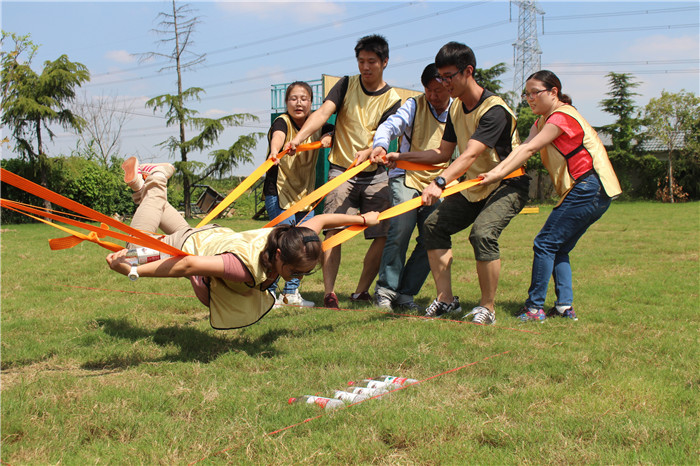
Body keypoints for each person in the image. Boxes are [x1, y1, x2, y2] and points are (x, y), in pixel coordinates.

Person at [109, 159, 378, 329]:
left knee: (149, 235)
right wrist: (134, 271)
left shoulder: (294, 238)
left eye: (304, 273)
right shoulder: (242, 267)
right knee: (133, 249)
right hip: (189, 244)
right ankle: (156, 178)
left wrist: (363, 218)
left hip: (212, 236)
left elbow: (321, 220)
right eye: (295, 272)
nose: (298, 277)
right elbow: (188, 264)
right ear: (280, 255)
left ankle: (137, 186)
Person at [385, 42, 530, 325]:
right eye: (440, 77)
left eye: (448, 76)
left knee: (482, 234)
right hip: (473, 185)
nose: (443, 83)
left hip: (507, 184)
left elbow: (471, 153)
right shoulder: (455, 110)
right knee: (433, 226)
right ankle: (446, 300)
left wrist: (439, 183)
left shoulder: (494, 109)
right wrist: (401, 157)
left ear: (468, 72)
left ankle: (487, 308)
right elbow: (442, 153)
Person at [479, 70, 621, 322]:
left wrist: (495, 173)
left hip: (589, 187)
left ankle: (534, 309)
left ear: (554, 92)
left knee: (544, 243)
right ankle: (565, 307)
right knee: (559, 247)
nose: (530, 99)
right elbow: (523, 148)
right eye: (527, 94)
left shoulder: (562, 116)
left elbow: (531, 148)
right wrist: (497, 171)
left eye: (536, 93)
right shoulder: (542, 121)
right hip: (592, 190)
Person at [285, 34, 401, 309]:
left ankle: (361, 291)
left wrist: (372, 153)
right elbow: (324, 113)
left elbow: (385, 136)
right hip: (341, 171)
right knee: (333, 232)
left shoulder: (393, 99)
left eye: (371, 61)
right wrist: (299, 138)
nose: (365, 67)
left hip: (375, 173)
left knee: (382, 234)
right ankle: (329, 293)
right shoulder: (347, 84)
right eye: (361, 61)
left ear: (384, 62)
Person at [354, 63, 453, 312]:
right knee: (400, 228)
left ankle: (406, 292)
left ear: (449, 87)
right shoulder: (414, 105)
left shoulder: (458, 110)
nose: (433, 96)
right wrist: (381, 144)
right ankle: (385, 291)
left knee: (434, 236)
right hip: (405, 175)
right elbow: (390, 125)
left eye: (438, 90)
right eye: (428, 90)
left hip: (439, 182)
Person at [263, 81, 333, 308]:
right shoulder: (282, 121)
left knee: (305, 244)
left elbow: (330, 131)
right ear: (286, 103)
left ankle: (292, 293)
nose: (299, 103)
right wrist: (276, 150)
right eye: (293, 98)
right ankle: (270, 293)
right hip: (279, 192)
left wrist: (327, 138)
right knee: (280, 244)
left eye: (304, 98)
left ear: (311, 103)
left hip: (305, 195)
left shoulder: (316, 123)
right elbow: (278, 135)